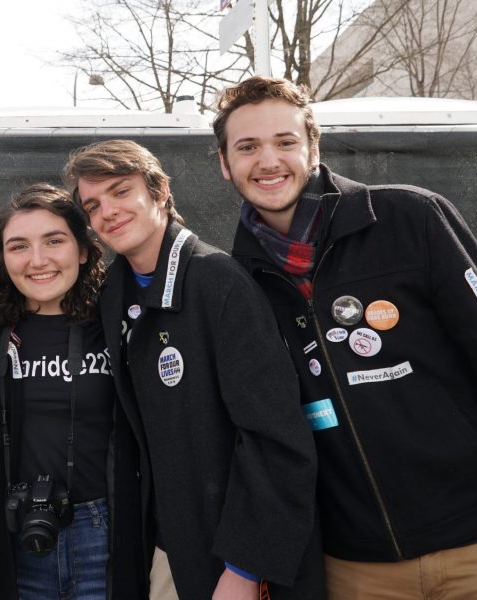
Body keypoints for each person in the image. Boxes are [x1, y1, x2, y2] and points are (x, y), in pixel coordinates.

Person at [215, 75, 477, 598]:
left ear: (313, 147)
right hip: (355, 568)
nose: (267, 161)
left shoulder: (410, 218)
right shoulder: (237, 283)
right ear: (225, 164)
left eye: (285, 142)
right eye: (247, 147)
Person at [62, 140, 324, 600]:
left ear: (161, 191)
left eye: (122, 192)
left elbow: (277, 438)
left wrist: (245, 567)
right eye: (93, 205)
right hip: (168, 549)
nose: (108, 212)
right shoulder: (113, 295)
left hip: (234, 561)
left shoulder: (217, 280)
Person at [0, 183, 145, 599]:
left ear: (83, 250)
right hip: (17, 531)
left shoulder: (119, 325)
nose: (38, 260)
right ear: (3, 259)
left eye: (54, 241)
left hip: (104, 529)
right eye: (19, 246)